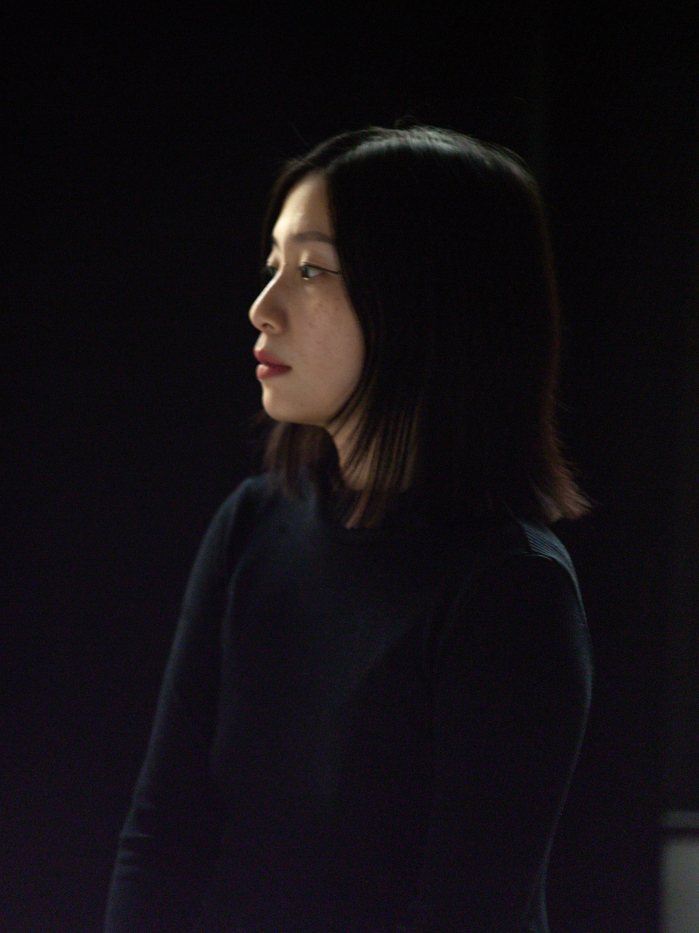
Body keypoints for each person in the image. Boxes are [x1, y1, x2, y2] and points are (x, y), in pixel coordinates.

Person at [105, 125, 593, 933]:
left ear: (427, 300)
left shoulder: (512, 589)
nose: (262, 309)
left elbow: (466, 913)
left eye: (310, 271)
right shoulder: (254, 521)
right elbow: (161, 834)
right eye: (273, 265)